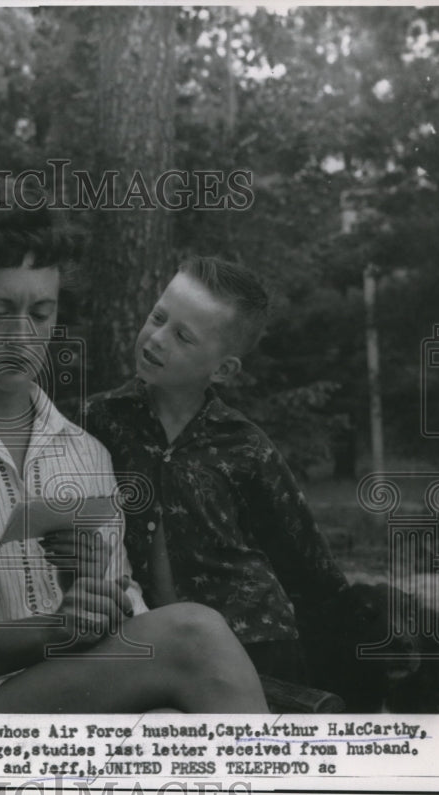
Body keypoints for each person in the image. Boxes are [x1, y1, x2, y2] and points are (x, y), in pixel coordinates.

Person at [0, 203, 268, 714]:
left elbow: (121, 612)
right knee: (194, 633)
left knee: (176, 725)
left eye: (40, 313)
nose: (21, 335)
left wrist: (99, 606)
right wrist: (53, 630)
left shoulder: (84, 453)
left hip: (79, 689)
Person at [85, 256, 348, 682]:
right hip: (147, 642)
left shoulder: (244, 447)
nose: (157, 338)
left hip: (254, 644)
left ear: (223, 369)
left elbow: (310, 567)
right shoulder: (96, 421)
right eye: (158, 317)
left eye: (183, 336)